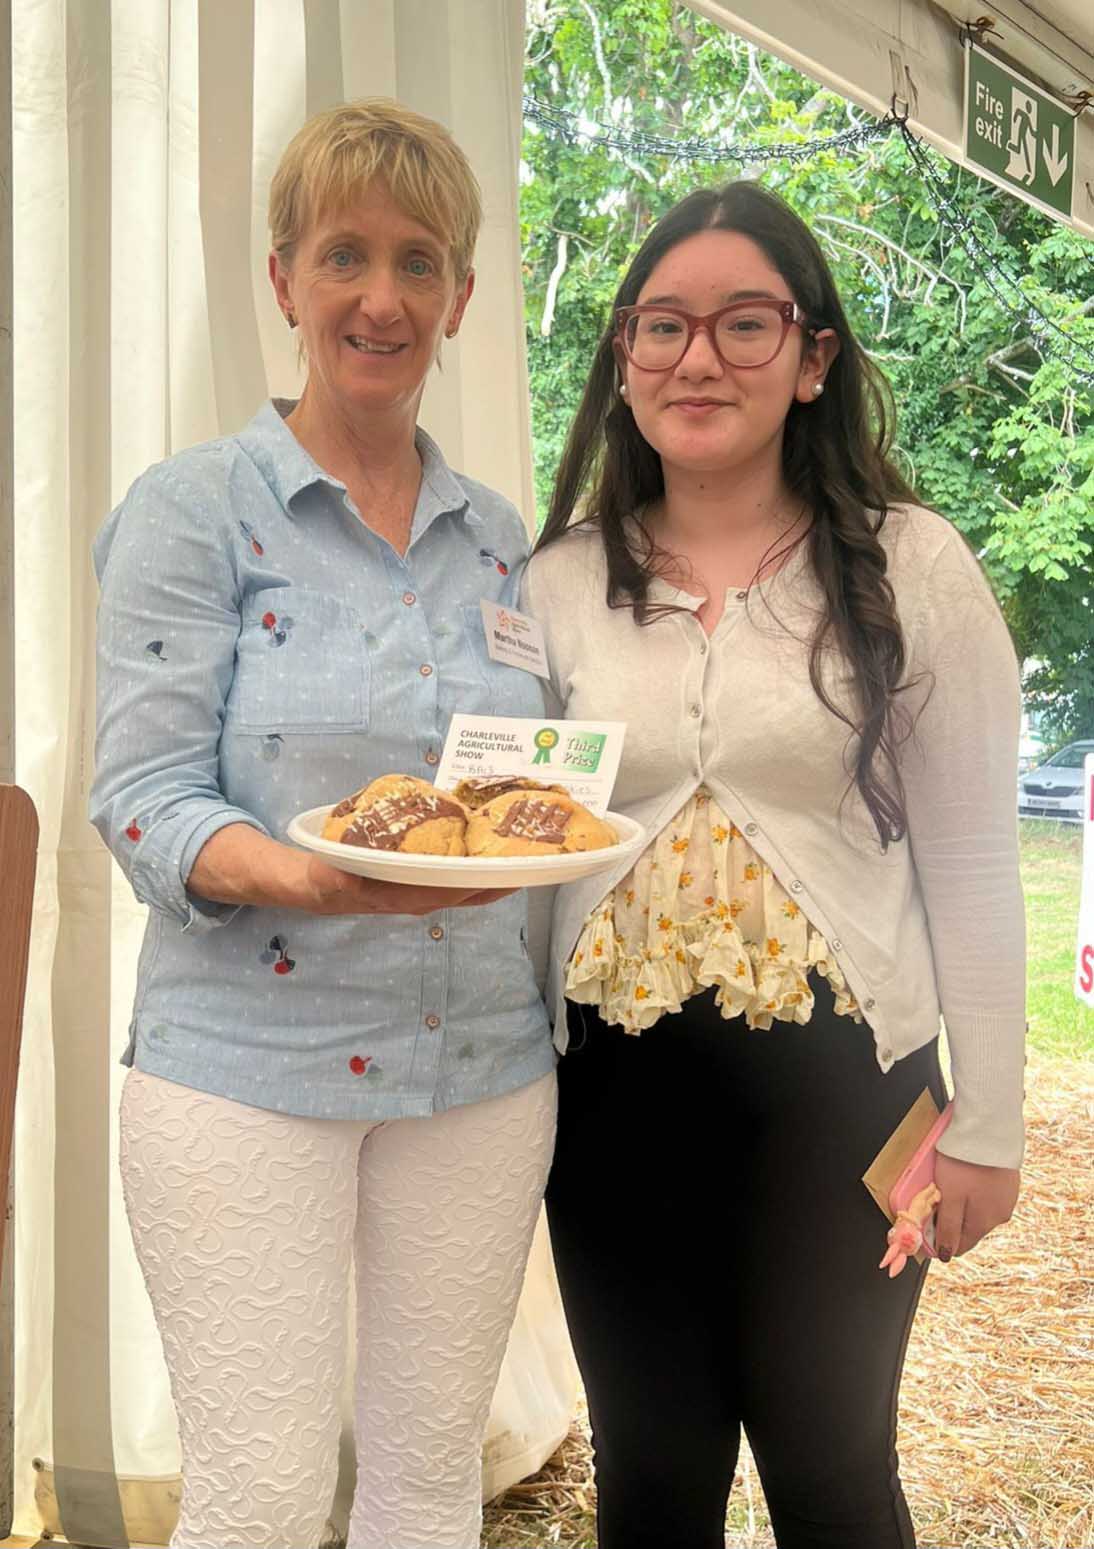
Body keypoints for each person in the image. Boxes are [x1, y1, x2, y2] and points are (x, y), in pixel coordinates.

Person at [521, 180, 1025, 1549]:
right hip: (608, 1102)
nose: (699, 358)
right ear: (623, 356)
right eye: (664, 325)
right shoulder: (557, 583)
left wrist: (989, 1123)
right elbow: (519, 843)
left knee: (832, 1467)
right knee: (650, 1478)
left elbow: (976, 861)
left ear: (812, 358)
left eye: (746, 324)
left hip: (848, 1102)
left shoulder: (912, 567)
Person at [91, 99, 557, 1549]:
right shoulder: (195, 511)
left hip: (477, 1067)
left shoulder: (501, 539)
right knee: (263, 1497)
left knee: (429, 1483)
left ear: (461, 299)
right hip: (247, 1070)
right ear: (283, 279)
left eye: (420, 262)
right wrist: (312, 877)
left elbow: (520, 789)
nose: (381, 297)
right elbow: (143, 798)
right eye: (343, 254)